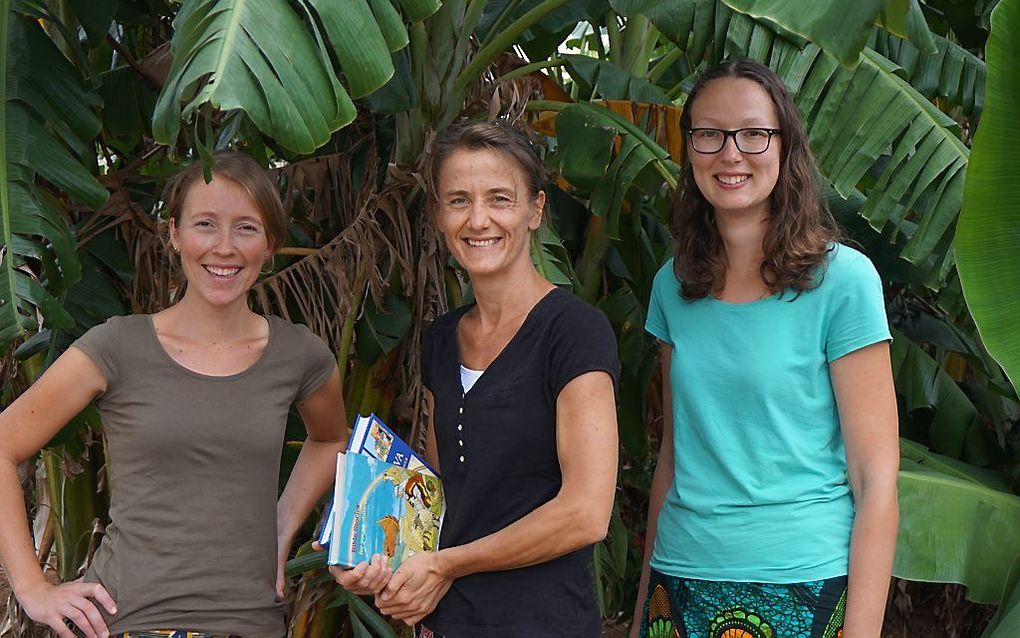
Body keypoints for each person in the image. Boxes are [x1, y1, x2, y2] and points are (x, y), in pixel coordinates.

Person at [0, 152, 347, 638]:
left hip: (248, 624)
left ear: (270, 244)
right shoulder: (117, 346)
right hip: (124, 622)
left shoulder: (300, 356)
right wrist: (33, 588)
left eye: (246, 228)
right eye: (205, 224)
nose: (224, 247)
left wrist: (281, 525)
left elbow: (331, 439)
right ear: (175, 235)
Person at [631, 59, 899, 638]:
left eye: (754, 134)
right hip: (678, 582)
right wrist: (639, 617)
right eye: (710, 134)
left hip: (801, 584)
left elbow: (875, 477)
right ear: (690, 150)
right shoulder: (672, 286)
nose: (731, 154)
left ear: (785, 146)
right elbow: (674, 458)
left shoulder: (843, 281)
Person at [333, 122, 621, 637]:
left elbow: (586, 513)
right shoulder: (441, 340)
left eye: (500, 199)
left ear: (535, 210)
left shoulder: (574, 332)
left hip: (542, 622)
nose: (478, 219)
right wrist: (365, 549)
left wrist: (447, 565)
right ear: (439, 215)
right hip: (450, 621)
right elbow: (436, 497)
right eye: (458, 200)